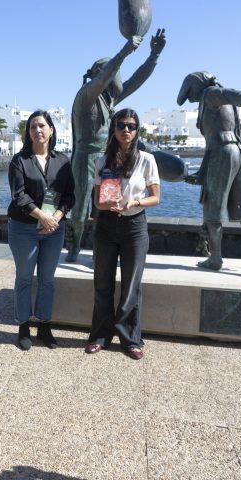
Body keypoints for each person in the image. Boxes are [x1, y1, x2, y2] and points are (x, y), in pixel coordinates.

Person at [66, 29, 166, 262]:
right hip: (85, 158)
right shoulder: (86, 95)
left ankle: (99, 251)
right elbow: (103, 79)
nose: (117, 79)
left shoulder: (108, 100)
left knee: (106, 206)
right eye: (114, 73)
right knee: (80, 207)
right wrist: (126, 50)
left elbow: (137, 81)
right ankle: (74, 248)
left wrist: (154, 55)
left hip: (105, 158)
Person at [177, 72, 241, 276]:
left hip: (223, 155)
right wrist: (202, 172)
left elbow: (237, 95)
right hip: (234, 153)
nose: (189, 98)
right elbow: (213, 142)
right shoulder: (210, 100)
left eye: (190, 93)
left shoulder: (211, 94)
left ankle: (215, 259)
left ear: (196, 86)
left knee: (212, 209)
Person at [85, 108, 159, 360]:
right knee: (102, 282)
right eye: (121, 126)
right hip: (106, 224)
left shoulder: (146, 159)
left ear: (137, 130)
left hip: (134, 226)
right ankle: (100, 336)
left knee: (131, 285)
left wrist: (135, 203)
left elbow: (156, 197)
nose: (126, 130)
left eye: (131, 126)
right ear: (113, 130)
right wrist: (106, 205)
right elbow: (96, 201)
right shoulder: (102, 161)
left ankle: (130, 339)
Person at [7, 110, 75, 350]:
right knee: (24, 278)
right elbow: (19, 196)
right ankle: (23, 326)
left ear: (51, 130)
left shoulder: (63, 161)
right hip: (24, 228)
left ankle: (45, 326)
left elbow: (69, 196)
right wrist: (42, 217)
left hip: (54, 229)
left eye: (42, 126)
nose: (37, 130)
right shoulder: (19, 160)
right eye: (33, 126)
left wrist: (55, 217)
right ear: (28, 132)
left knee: (47, 280)